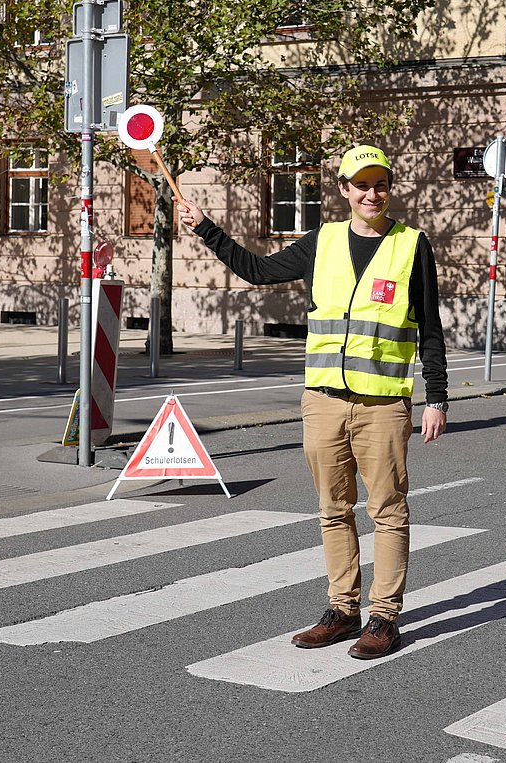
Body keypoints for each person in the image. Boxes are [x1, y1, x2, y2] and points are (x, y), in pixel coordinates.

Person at [177, 144, 448, 659]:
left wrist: (437, 397)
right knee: (332, 509)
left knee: (388, 511)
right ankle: (343, 611)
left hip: (383, 404)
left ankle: (384, 618)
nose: (372, 194)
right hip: (323, 401)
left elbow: (429, 327)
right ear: (344, 189)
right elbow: (256, 270)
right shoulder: (322, 241)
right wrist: (206, 228)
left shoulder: (412, 245)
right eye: (361, 184)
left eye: (380, 184)